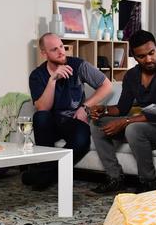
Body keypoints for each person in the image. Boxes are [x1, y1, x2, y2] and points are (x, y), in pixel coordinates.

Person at [89, 30, 156, 194]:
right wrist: (103, 110)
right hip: (142, 123)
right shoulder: (131, 75)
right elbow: (122, 108)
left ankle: (148, 182)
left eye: (151, 53)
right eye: (142, 56)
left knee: (133, 128)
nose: (148, 59)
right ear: (133, 55)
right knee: (96, 124)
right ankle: (114, 178)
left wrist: (125, 122)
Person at [27, 33, 112, 190]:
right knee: (40, 117)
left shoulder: (78, 65)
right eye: (54, 49)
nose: (61, 52)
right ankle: (43, 174)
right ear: (44, 53)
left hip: (73, 120)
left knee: (82, 140)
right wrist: (52, 80)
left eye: (61, 46)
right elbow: (42, 108)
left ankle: (41, 174)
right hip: (50, 123)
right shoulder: (37, 75)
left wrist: (85, 107)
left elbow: (106, 85)